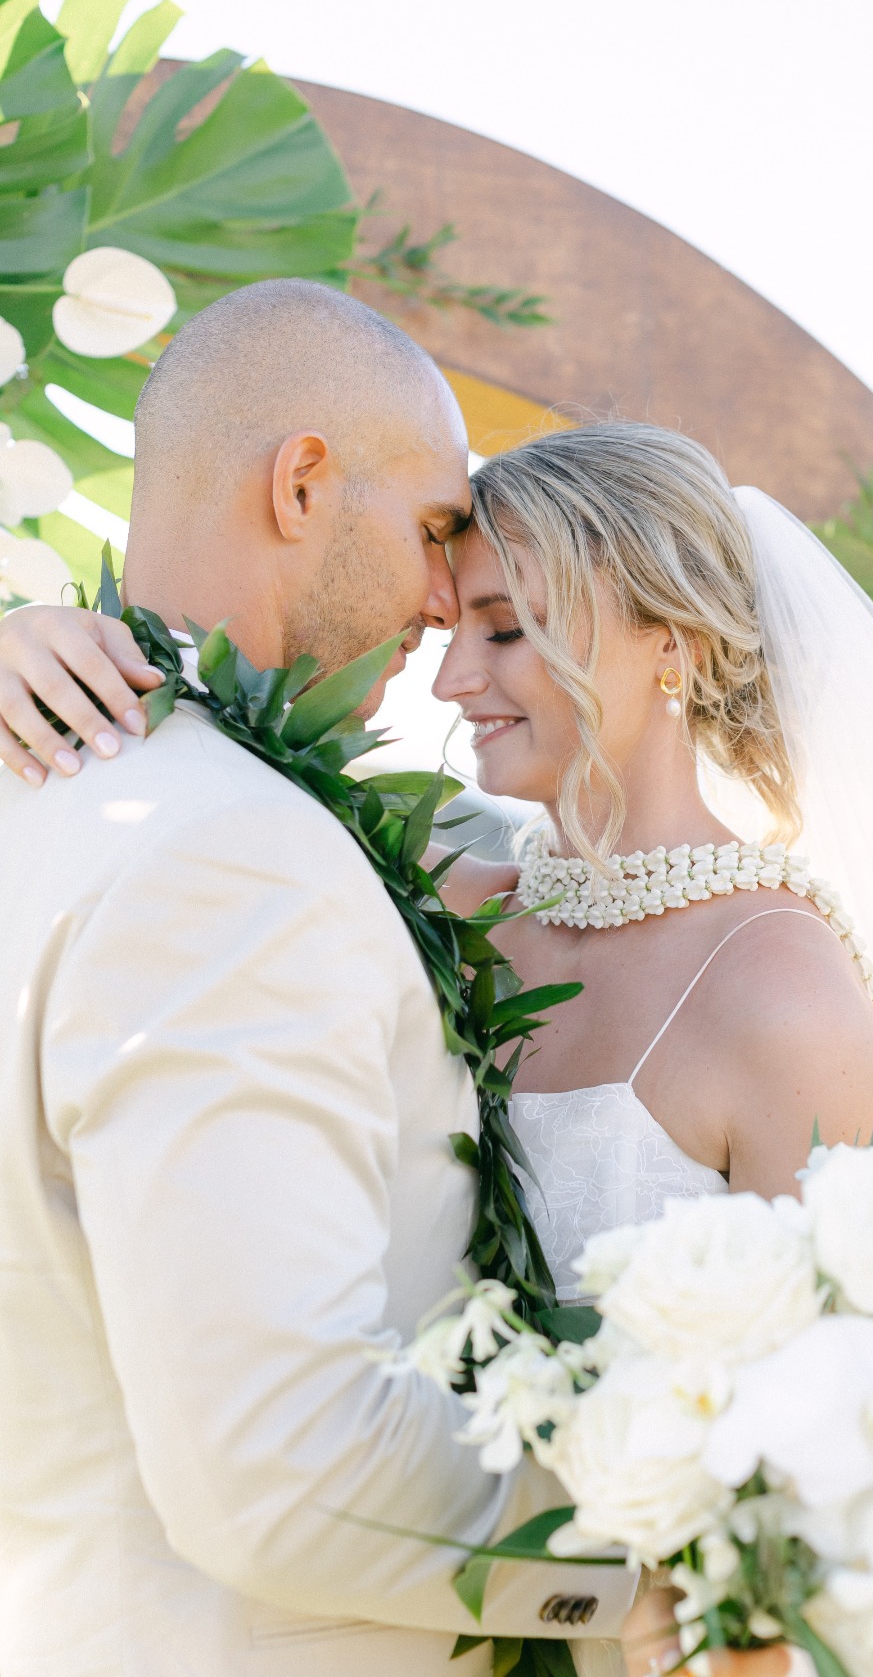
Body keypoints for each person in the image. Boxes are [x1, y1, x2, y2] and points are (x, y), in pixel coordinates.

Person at [5, 421, 873, 1677]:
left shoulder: (783, 997)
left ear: (668, 644)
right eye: (454, 626)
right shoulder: (424, 896)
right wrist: (33, 641)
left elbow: (813, 1491)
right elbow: (216, 805)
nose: (451, 678)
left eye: (507, 630)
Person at [0, 282, 639, 1677]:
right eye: (427, 533)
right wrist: (685, 1538)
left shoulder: (38, 793)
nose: (436, 600)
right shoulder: (227, 849)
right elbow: (281, 1468)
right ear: (300, 484)